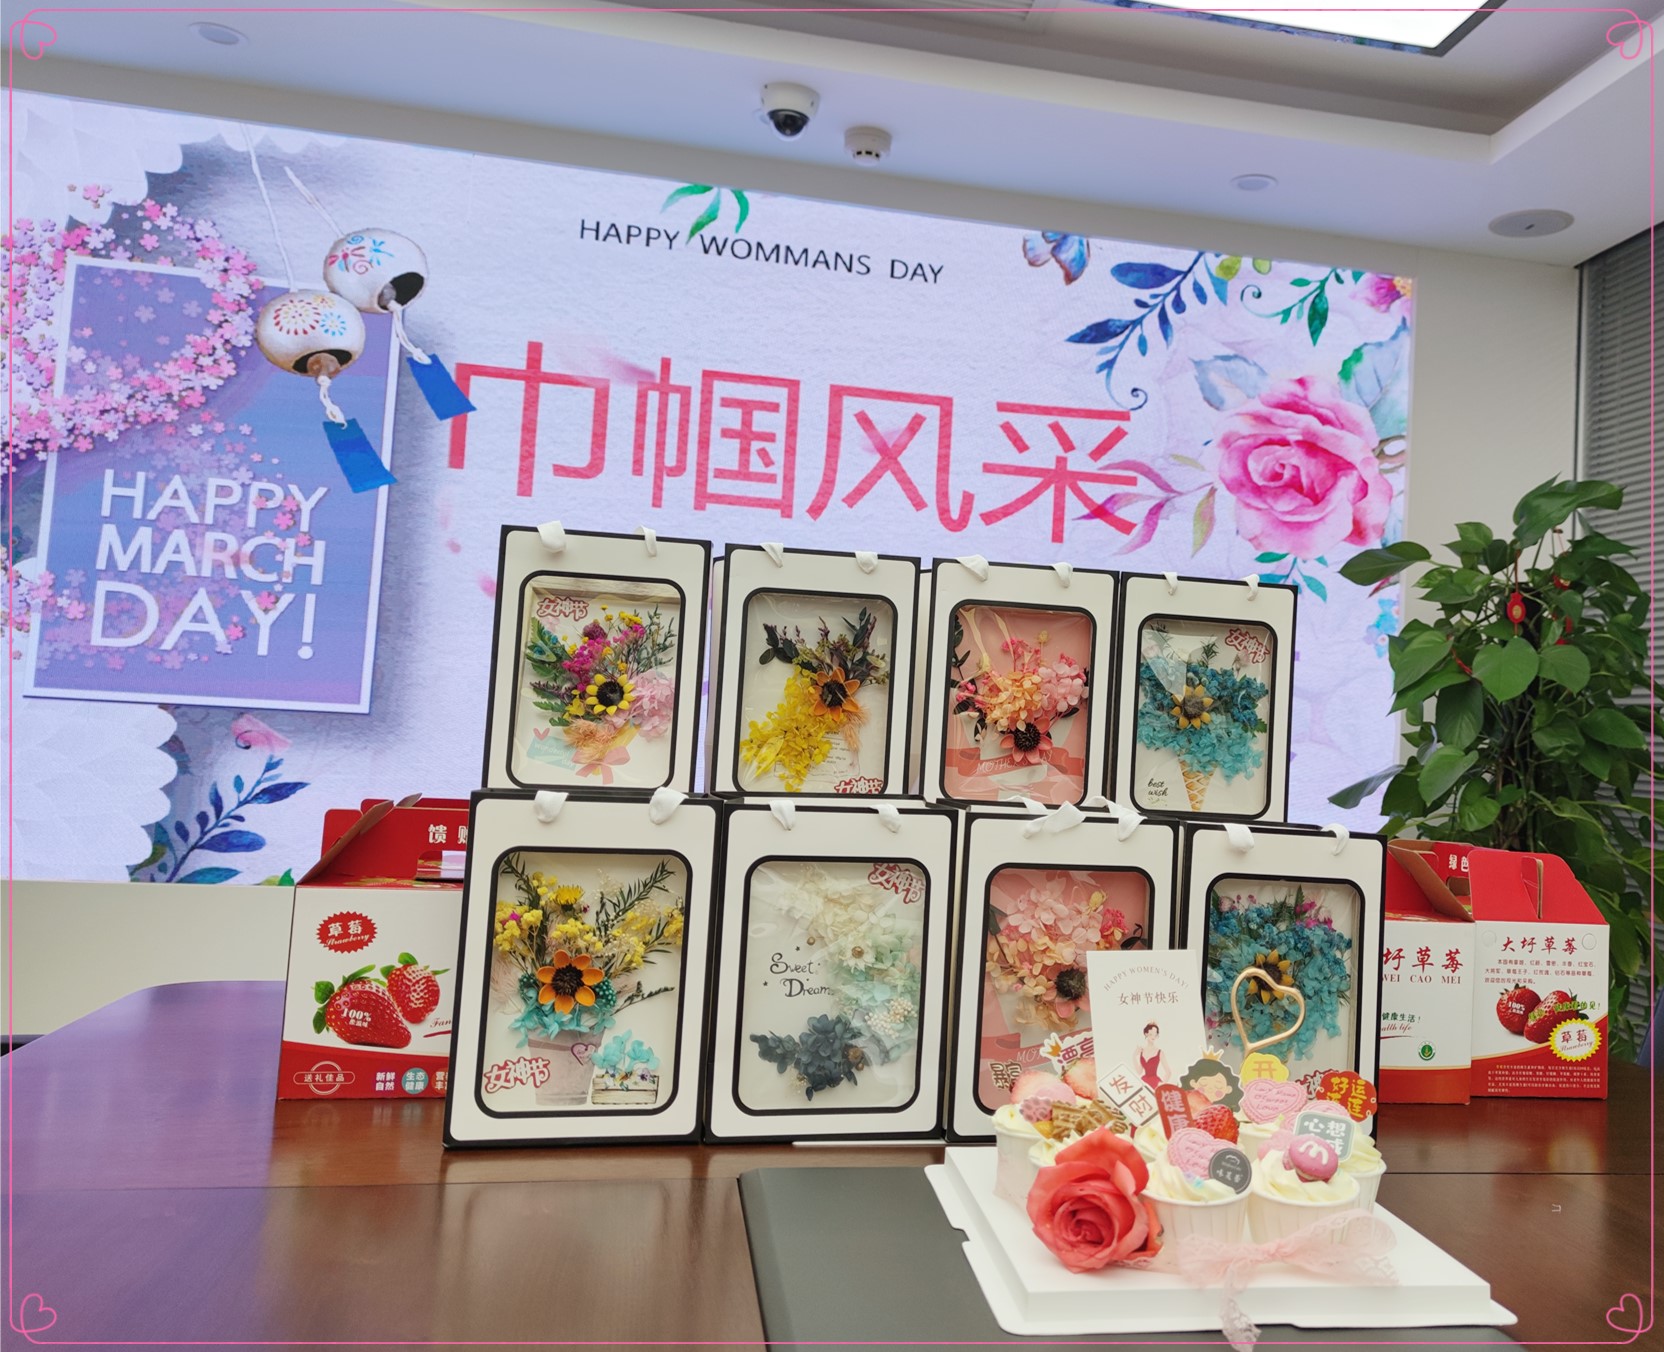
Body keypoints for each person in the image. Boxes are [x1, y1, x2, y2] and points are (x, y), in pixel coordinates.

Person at [1137, 1021, 1171, 1090]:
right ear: (1146, 1034)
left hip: (1155, 1082)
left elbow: (1168, 1072)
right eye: (1151, 1034)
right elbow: (1139, 1071)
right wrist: (1134, 1056)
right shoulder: (1142, 1051)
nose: (1153, 1037)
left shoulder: (1159, 1052)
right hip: (1143, 1081)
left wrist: (1161, 1084)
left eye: (1155, 1035)